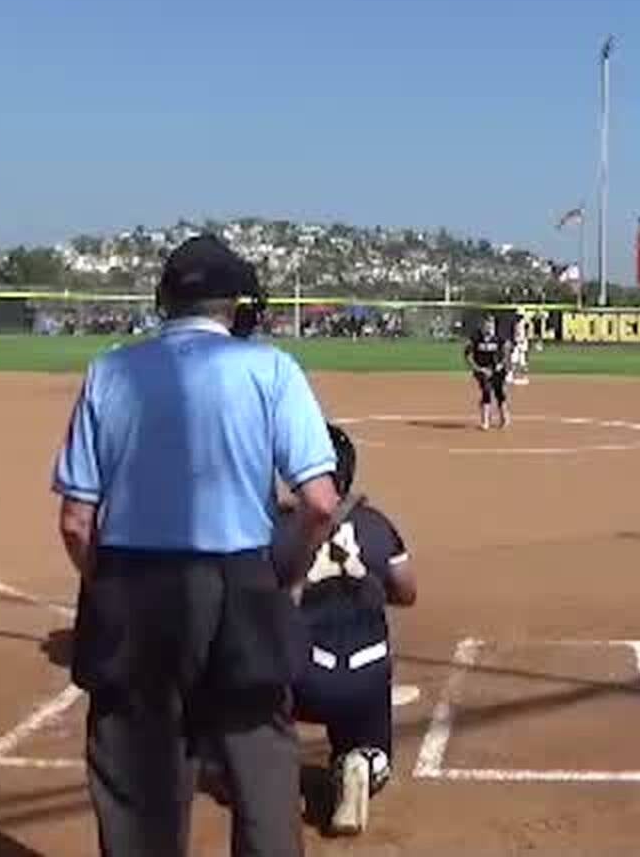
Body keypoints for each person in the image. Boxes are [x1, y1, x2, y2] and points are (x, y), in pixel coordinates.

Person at [51, 234, 343, 857]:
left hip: (134, 582)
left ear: (164, 300)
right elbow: (319, 502)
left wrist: (107, 586)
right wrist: (282, 574)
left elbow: (77, 521)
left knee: (135, 768)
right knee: (259, 755)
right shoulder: (271, 368)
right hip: (241, 580)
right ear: (233, 305)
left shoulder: (111, 371)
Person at [284, 424, 416, 837]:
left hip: (302, 681)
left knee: (253, 652)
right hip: (367, 679)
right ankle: (361, 760)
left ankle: (266, 766)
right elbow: (407, 592)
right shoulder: (377, 524)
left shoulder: (280, 527)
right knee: (371, 745)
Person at [464, 314, 511, 430]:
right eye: (486, 324)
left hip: (497, 368)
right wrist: (478, 368)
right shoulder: (476, 337)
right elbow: (467, 355)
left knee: (499, 391)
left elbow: (506, 352)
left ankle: (504, 416)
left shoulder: (499, 337)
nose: (488, 327)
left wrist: (501, 364)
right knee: (486, 389)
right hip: (482, 369)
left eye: (490, 324)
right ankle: (485, 420)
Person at [508, 316, 532, 386]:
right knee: (513, 360)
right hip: (516, 342)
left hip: (522, 342)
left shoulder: (524, 323)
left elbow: (528, 331)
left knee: (523, 361)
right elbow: (514, 332)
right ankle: (511, 375)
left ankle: (525, 377)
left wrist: (526, 340)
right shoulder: (515, 323)